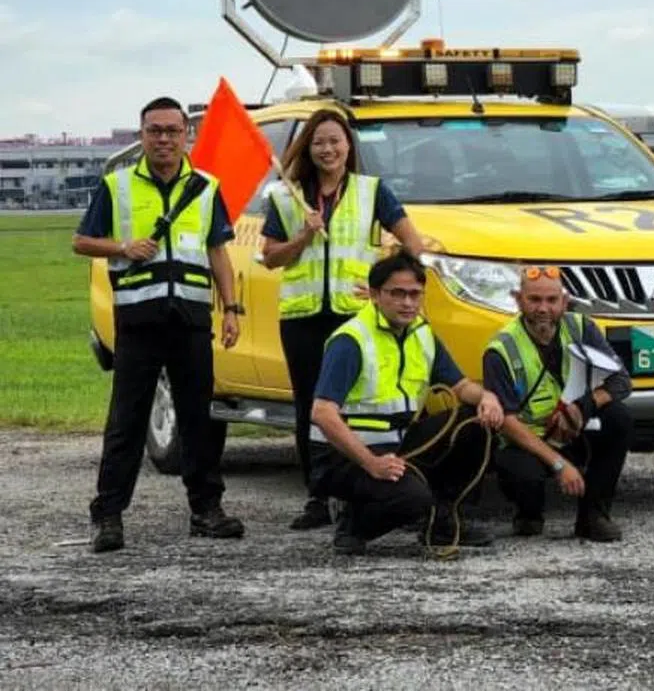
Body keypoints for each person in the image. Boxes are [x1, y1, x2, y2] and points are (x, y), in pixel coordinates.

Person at [73, 96, 245, 553]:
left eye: (173, 130)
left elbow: (218, 252)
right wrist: (123, 247)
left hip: (190, 318)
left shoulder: (207, 188)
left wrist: (232, 307)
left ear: (186, 134)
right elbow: (81, 242)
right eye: (155, 131)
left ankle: (207, 510)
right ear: (142, 135)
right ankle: (108, 515)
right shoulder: (117, 186)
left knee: (199, 419)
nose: (164, 139)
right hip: (139, 319)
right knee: (127, 421)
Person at [260, 109, 425, 531]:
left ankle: (356, 487)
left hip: (355, 319)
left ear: (348, 146)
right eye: (319, 142)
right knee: (308, 407)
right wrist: (304, 235)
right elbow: (270, 256)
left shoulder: (371, 191)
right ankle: (316, 495)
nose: (327, 149)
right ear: (308, 149)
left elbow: (413, 242)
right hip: (303, 317)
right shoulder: (286, 195)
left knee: (353, 405)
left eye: (335, 140)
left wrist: (381, 280)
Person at [309, 251, 505, 555]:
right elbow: (322, 413)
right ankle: (354, 524)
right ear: (375, 295)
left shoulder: (422, 334)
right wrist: (371, 463)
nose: (407, 303)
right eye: (397, 293)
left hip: (400, 445)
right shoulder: (351, 340)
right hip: (345, 456)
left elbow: (462, 387)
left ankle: (442, 522)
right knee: (413, 499)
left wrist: (488, 398)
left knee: (475, 424)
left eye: (415, 294)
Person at [483, 265, 633, 542]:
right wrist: (559, 465)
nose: (543, 309)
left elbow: (621, 381)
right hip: (528, 441)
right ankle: (529, 513)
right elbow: (507, 422)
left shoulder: (580, 328)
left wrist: (581, 407)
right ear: (518, 300)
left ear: (564, 301)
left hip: (573, 431)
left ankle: (593, 517)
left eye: (552, 300)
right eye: (534, 300)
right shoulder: (501, 349)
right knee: (522, 476)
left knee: (618, 417)